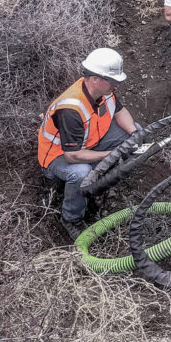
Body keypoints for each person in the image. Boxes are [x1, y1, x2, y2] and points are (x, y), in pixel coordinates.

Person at [38, 48, 138, 236]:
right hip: (57, 158)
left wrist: (134, 134)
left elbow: (120, 112)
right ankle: (71, 219)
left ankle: (101, 176)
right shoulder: (71, 108)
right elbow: (72, 156)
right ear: (95, 79)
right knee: (81, 173)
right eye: (112, 80)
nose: (116, 85)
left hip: (89, 143)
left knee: (136, 132)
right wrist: (113, 154)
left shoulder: (104, 91)